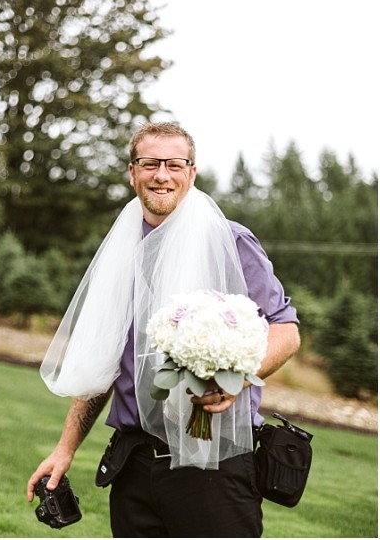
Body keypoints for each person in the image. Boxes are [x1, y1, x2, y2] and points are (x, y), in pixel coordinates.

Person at [27, 121, 300, 538]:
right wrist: (65, 449)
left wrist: (237, 380)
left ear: (192, 172)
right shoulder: (122, 249)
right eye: (150, 163)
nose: (162, 175)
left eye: (175, 164)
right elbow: (105, 363)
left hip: (215, 463)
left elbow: (286, 331)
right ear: (132, 171)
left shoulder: (230, 241)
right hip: (133, 465)